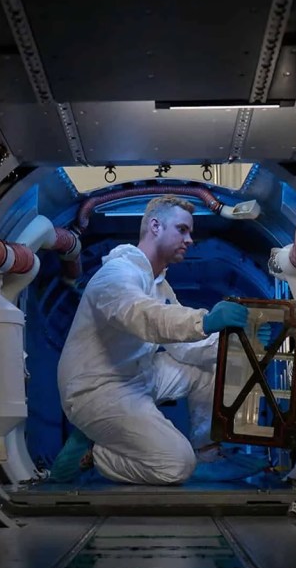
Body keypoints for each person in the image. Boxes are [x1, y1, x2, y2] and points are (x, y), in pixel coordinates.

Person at [56, 194, 249, 485]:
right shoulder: (117, 274)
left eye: (191, 232)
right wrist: (205, 321)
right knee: (176, 466)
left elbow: (182, 343)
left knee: (212, 367)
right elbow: (142, 315)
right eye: (182, 230)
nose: (190, 239)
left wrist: (234, 349)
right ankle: (97, 452)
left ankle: (207, 451)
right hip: (98, 389)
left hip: (137, 375)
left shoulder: (159, 284)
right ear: (155, 226)